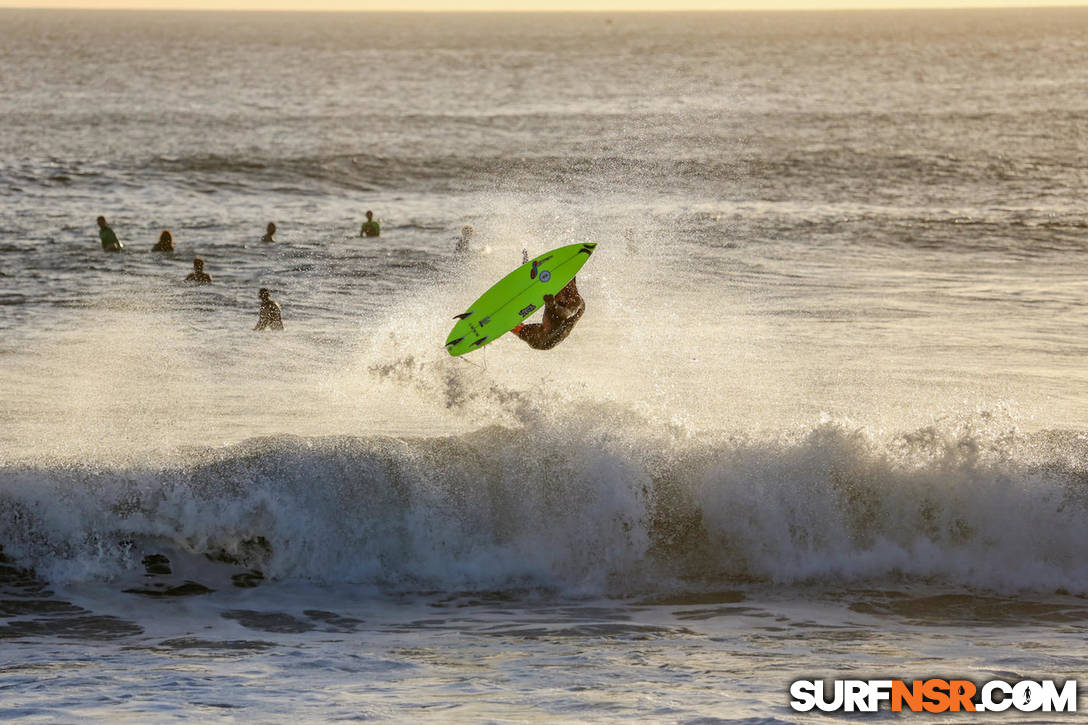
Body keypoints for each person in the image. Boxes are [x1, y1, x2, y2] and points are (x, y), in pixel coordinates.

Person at [512, 277, 584, 350]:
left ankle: (512, 326)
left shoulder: (575, 302)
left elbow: (567, 313)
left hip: (545, 337)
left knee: (534, 339)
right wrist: (553, 305)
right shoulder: (565, 297)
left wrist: (553, 305)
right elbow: (567, 313)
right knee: (562, 295)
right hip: (568, 310)